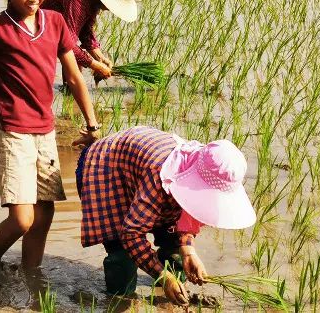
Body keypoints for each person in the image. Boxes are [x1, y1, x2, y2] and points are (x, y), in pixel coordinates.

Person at [0, 0, 102, 284]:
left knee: (45, 213)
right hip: (10, 129)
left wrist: (92, 124)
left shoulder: (54, 22)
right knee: (23, 218)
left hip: (44, 130)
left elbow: (73, 77)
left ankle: (32, 276)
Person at [75, 126, 256, 304]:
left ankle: (170, 299)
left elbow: (191, 210)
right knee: (123, 259)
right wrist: (163, 276)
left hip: (140, 175)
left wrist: (188, 251)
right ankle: (119, 300)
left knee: (175, 254)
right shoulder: (159, 176)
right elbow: (131, 234)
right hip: (106, 171)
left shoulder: (203, 165)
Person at [43, 0, 140, 80]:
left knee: (75, 62)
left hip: (40, 16)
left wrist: (100, 58)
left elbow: (86, 31)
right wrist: (94, 65)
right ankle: (69, 91)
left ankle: (69, 93)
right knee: (73, 60)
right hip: (23, 14)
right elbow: (68, 45)